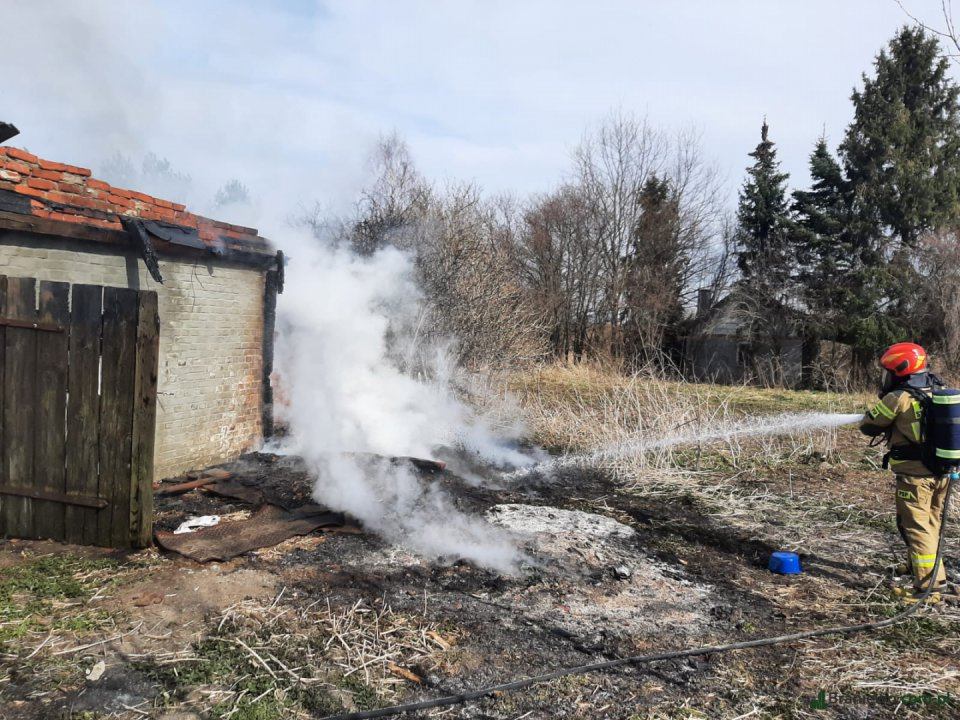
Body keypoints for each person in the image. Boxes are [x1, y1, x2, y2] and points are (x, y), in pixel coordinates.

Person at [859, 342, 953, 604]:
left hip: (915, 478)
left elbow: (869, 425)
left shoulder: (899, 397)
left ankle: (928, 589)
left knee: (917, 527)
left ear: (900, 370)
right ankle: (920, 568)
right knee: (930, 522)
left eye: (888, 372)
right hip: (942, 473)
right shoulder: (938, 390)